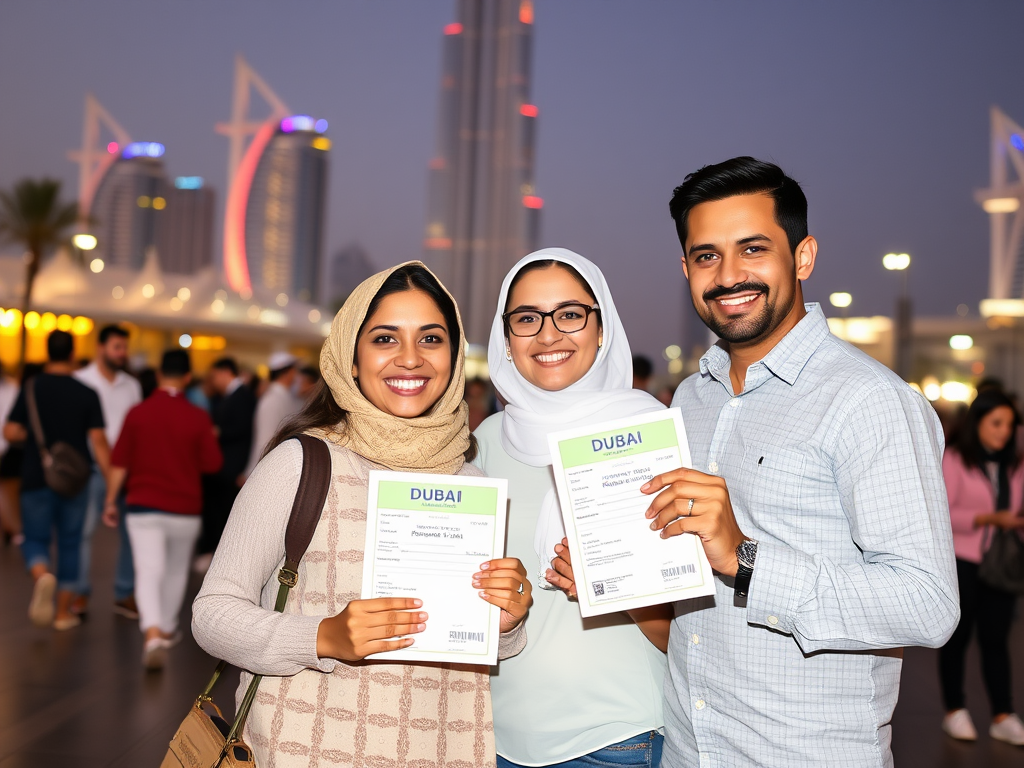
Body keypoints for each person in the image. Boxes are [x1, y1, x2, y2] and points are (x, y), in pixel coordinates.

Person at [647, 157, 958, 766]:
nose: (729, 274)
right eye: (706, 255)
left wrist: (747, 559)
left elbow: (928, 604)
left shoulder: (869, 401)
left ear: (804, 257)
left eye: (754, 248)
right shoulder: (692, 397)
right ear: (686, 269)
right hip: (690, 748)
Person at [193, 262, 532, 767]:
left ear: (455, 356)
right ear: (351, 358)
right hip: (303, 749)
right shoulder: (303, 463)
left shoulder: (467, 481)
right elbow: (213, 614)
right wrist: (322, 637)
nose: (411, 359)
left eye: (432, 339)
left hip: (438, 749)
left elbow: (469, 646)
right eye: (385, 339)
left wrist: (506, 622)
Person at [474, 248, 669, 768]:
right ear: (506, 338)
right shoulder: (485, 443)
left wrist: (613, 585)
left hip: (615, 739)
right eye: (527, 318)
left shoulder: (649, 437)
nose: (548, 333)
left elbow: (692, 633)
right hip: (495, 737)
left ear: (601, 327)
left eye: (570, 314)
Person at [102, 349, 222, 669]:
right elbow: (213, 463)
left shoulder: (138, 413)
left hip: (143, 506)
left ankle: (151, 631)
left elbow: (119, 461)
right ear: (186, 378)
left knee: (148, 570)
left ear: (157, 375)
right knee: (174, 571)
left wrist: (111, 499)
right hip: (185, 508)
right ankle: (167, 628)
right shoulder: (198, 417)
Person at [4, 330, 110, 630]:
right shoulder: (87, 393)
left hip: (37, 477)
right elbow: (99, 442)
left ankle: (41, 575)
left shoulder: (31, 387)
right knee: (70, 543)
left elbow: (10, 432)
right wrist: (113, 488)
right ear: (73, 354)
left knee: (35, 537)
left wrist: (34, 439)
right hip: (76, 481)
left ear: (48, 352)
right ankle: (63, 614)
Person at [938, 388, 1024, 745]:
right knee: (957, 638)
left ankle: (1002, 714)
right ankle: (954, 710)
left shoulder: (1016, 464)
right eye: (997, 423)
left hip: (1001, 562)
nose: (1004, 431)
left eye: (1010, 424)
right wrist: (988, 517)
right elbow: (942, 511)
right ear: (978, 423)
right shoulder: (956, 458)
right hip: (963, 559)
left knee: (995, 639)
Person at [73, 324, 143, 619]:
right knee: (84, 532)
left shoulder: (132, 386)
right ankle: (78, 593)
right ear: (100, 348)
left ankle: (124, 593)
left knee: (132, 534)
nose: (122, 353)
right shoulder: (80, 381)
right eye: (116, 347)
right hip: (90, 470)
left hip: (128, 471)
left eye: (124, 348)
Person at [194, 356, 256, 567]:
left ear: (225, 373)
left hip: (230, 467)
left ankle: (215, 556)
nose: (213, 381)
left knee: (221, 513)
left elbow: (242, 430)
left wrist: (217, 432)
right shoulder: (230, 395)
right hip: (223, 466)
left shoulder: (243, 396)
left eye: (214, 376)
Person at [242, 351, 302, 478]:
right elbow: (264, 439)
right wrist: (252, 472)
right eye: (294, 370)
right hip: (269, 470)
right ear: (288, 372)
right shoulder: (272, 400)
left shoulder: (283, 397)